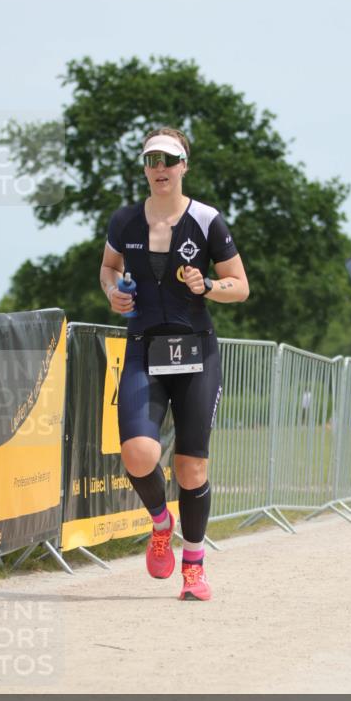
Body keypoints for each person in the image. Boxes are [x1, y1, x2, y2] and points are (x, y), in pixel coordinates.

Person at [99, 128, 249, 601]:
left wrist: (206, 285)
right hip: (143, 347)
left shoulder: (207, 221)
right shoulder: (124, 221)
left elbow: (240, 285)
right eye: (151, 159)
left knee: (190, 470)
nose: (159, 166)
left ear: (185, 165)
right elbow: (108, 268)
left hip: (196, 352)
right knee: (139, 453)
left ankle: (194, 565)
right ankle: (161, 523)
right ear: (144, 168)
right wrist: (113, 294)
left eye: (169, 158)